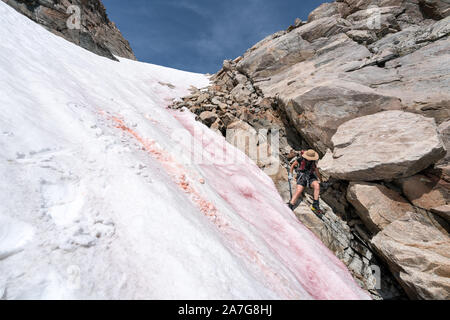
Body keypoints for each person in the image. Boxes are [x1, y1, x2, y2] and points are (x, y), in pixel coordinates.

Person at [288, 149, 322, 214]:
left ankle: (315, 204)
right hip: (302, 176)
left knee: (317, 185)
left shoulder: (313, 162)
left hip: (310, 177)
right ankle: (290, 205)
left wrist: (321, 180)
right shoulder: (300, 159)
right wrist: (290, 174)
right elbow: (292, 166)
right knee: (299, 190)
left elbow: (316, 171)